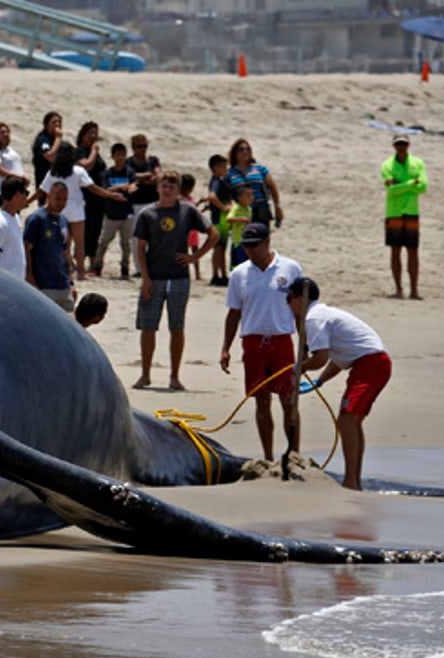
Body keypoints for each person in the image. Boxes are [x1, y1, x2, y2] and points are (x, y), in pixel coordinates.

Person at [289, 277, 391, 491]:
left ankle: (352, 481)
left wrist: (300, 368)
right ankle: (353, 479)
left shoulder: (313, 318)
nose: (287, 305)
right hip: (369, 363)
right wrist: (319, 381)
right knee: (351, 421)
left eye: (288, 299)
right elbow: (338, 358)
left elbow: (320, 358)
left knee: (347, 420)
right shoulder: (321, 314)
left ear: (300, 299)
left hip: (371, 365)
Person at [220, 222, 303, 460]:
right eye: (246, 246)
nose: (250, 251)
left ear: (267, 243)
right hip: (253, 343)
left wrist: (306, 345)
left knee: (289, 400)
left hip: (282, 341)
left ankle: (294, 455)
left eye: (254, 246)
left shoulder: (290, 268)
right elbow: (233, 312)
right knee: (262, 401)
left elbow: (300, 310)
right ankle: (268, 457)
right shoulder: (239, 273)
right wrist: (226, 347)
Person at [132, 171, 218, 392]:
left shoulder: (187, 211)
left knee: (176, 327)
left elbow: (213, 234)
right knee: (148, 327)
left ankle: (174, 376)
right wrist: (145, 278)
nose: (167, 190)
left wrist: (194, 257)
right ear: (158, 188)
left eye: (172, 186)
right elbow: (140, 249)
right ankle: (145, 375)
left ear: (178, 190)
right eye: (164, 186)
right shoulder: (147, 214)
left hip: (179, 277)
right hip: (155, 276)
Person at [31, 143, 125, 282]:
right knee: (79, 243)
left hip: (59, 209)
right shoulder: (78, 171)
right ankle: (81, 272)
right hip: (76, 210)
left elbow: (41, 191)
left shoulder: (53, 172)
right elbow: (93, 188)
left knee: (64, 244)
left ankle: (66, 271)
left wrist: (28, 201)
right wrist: (111, 195)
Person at [381, 134, 426, 300]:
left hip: (411, 211)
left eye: (404, 144)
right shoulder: (387, 165)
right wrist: (410, 184)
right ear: (394, 146)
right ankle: (399, 288)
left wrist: (401, 185)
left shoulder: (418, 163)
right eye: (398, 144)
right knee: (395, 250)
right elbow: (391, 189)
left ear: (408, 145)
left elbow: (423, 186)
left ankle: (414, 289)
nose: (401, 147)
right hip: (394, 212)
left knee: (413, 250)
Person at [23, 181, 75, 312]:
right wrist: (30, 277)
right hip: (44, 284)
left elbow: (65, 253)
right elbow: (26, 250)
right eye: (57, 198)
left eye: (64, 199)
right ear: (48, 195)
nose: (61, 203)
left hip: (63, 284)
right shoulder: (37, 219)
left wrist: (71, 282)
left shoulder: (64, 220)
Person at [95, 142, 137, 279]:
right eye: (117, 155)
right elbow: (104, 189)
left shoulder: (130, 172)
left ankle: (125, 269)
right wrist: (120, 188)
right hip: (112, 214)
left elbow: (134, 184)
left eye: (123, 155)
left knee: (126, 244)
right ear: (113, 157)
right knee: (104, 242)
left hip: (127, 213)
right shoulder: (108, 173)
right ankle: (97, 266)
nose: (120, 158)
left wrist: (132, 187)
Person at [225, 138, 282, 228]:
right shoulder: (230, 173)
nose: (245, 152)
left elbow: (272, 187)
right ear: (235, 153)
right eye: (241, 149)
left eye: (248, 149)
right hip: (241, 212)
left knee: (262, 239)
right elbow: (225, 191)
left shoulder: (259, 168)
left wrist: (277, 207)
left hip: (261, 209)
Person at [75, 121, 108, 275]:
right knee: (85, 231)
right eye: (90, 133)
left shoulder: (94, 153)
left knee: (96, 230)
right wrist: (94, 151)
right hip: (86, 197)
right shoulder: (79, 151)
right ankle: (81, 262)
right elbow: (86, 166)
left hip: (99, 197)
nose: (93, 137)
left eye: (96, 133)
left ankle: (94, 263)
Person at [0, 175, 29, 279]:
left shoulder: (15, 217)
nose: (27, 198)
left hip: (15, 283)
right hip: (3, 283)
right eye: (26, 194)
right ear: (17, 195)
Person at [0, 121, 26, 210]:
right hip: (2, 193)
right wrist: (20, 178)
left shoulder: (11, 151)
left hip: (16, 192)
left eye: (7, 132)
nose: (6, 134)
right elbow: (0, 171)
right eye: (2, 132)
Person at [205, 154, 232, 286]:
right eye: (224, 166)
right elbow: (212, 196)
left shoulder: (217, 180)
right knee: (219, 247)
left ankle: (222, 275)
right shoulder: (216, 181)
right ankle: (217, 275)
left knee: (221, 247)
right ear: (215, 167)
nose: (226, 169)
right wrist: (223, 208)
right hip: (219, 218)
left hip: (220, 218)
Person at [125, 133, 161, 218]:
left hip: (153, 201)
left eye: (145, 146)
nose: (143, 149)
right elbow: (131, 175)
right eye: (139, 146)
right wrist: (148, 175)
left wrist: (140, 179)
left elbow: (158, 175)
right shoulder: (128, 162)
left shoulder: (153, 160)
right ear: (133, 147)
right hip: (136, 202)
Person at [30, 111, 62, 200]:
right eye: (54, 122)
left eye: (59, 122)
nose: (57, 124)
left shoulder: (58, 142)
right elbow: (49, 156)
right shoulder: (42, 140)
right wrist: (58, 138)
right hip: (44, 185)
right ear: (46, 124)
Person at [227, 186, 254, 268]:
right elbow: (229, 219)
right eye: (248, 195)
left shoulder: (249, 209)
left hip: (247, 240)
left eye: (251, 195)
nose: (251, 198)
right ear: (240, 197)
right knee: (237, 263)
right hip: (237, 241)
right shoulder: (236, 208)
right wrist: (241, 219)